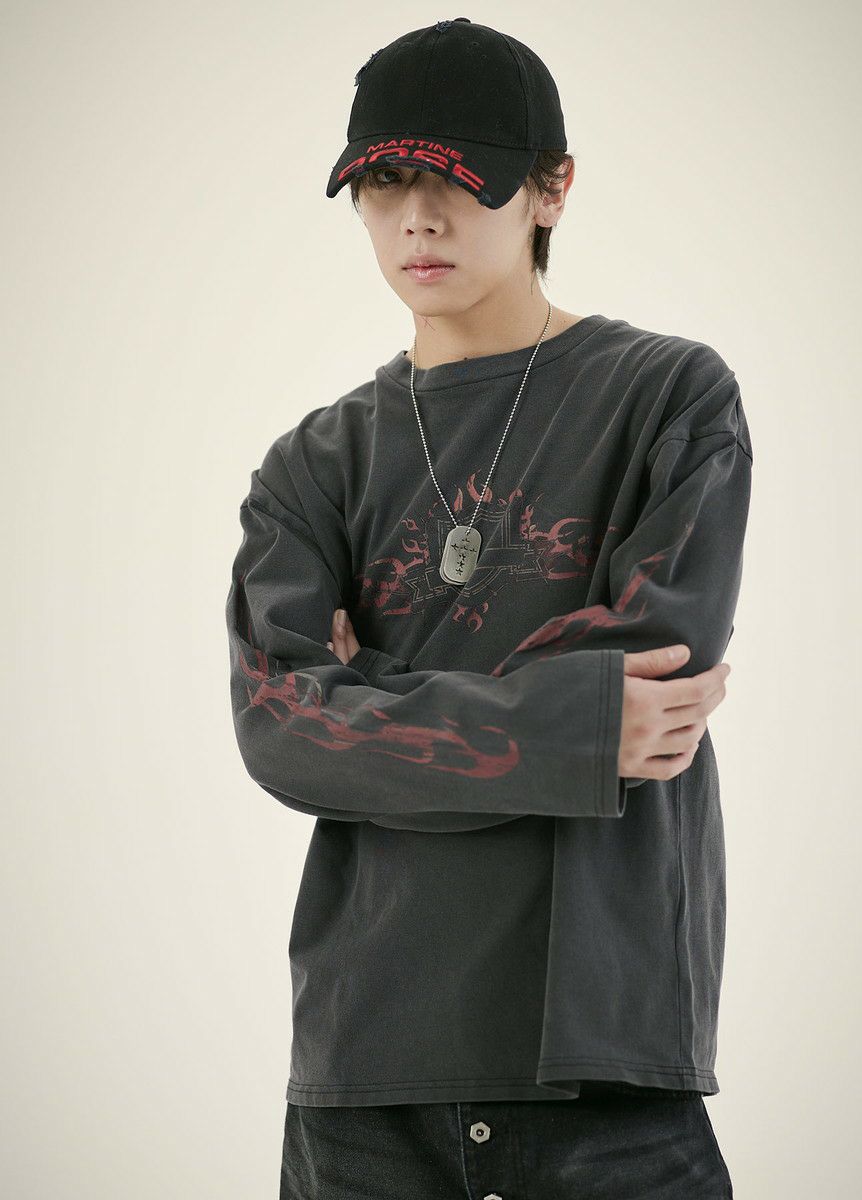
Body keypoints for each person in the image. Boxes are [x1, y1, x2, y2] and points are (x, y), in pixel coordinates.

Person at [226, 17, 751, 1199]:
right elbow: (281, 728)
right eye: (384, 183)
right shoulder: (310, 466)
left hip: (603, 1058)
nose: (418, 219)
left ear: (552, 187)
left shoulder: (668, 397)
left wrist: (372, 692)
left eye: (458, 180)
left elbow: (651, 676)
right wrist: (572, 725)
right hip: (367, 1071)